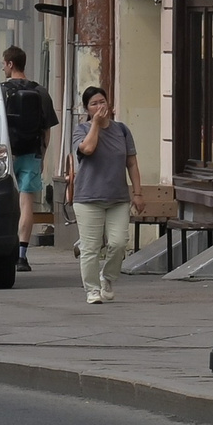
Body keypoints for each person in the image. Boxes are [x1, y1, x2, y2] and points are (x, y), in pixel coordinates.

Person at [69, 86, 139, 304]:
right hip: (88, 198)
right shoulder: (81, 130)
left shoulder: (122, 130)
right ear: (87, 109)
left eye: (102, 102)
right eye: (94, 104)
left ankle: (107, 277)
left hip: (117, 197)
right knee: (90, 248)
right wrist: (96, 125)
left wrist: (138, 193)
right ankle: (91, 290)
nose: (100, 107)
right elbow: (87, 149)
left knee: (118, 243)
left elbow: (132, 162)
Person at [0, 47, 59, 272]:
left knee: (4, 202)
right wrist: (42, 156)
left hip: (5, 155)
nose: (3, 67)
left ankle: (5, 250)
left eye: (3, 64)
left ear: (10, 64)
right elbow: (47, 131)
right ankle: (22, 257)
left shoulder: (1, 91)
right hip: (32, 154)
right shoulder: (40, 92)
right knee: (26, 205)